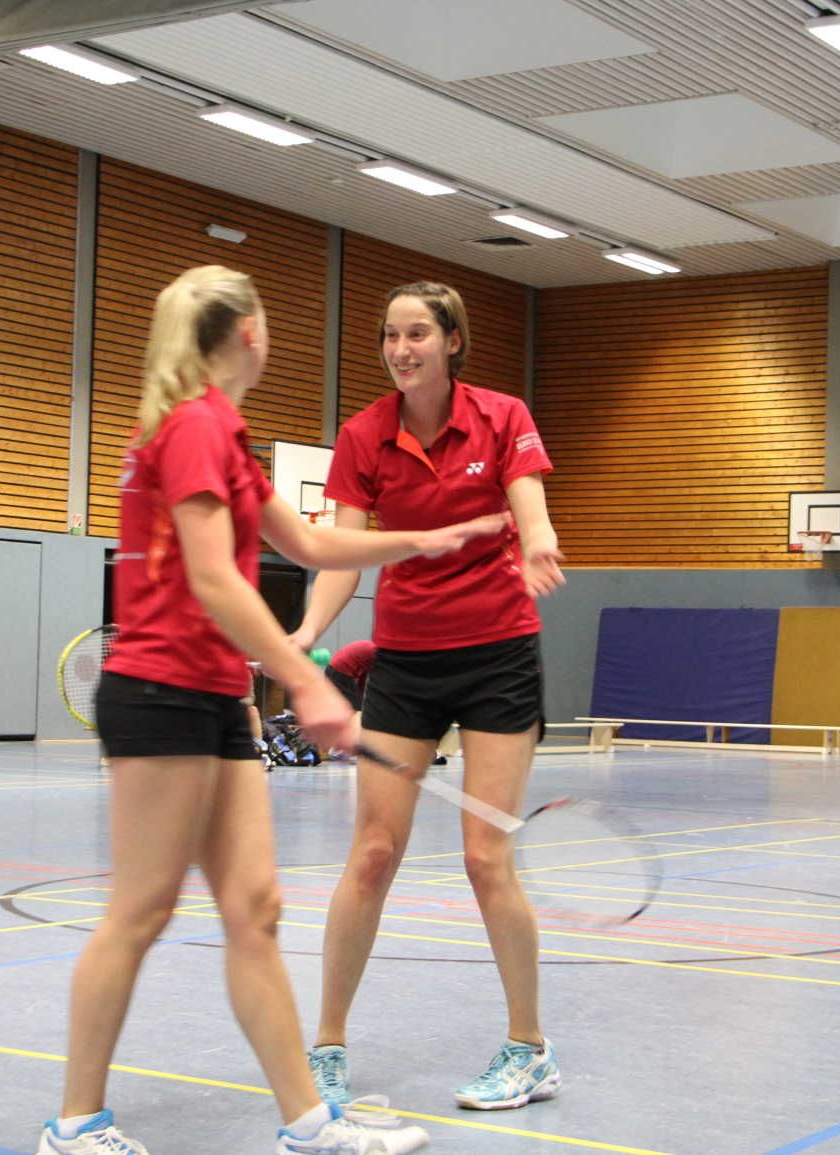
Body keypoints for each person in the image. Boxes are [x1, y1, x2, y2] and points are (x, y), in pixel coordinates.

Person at [35, 265, 505, 1155]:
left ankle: (308, 1125)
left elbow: (311, 542)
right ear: (249, 332)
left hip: (215, 697)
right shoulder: (194, 425)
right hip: (160, 693)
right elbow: (215, 576)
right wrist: (308, 681)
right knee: (140, 911)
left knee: (254, 908)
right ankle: (74, 1124)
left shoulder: (223, 432)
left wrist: (423, 538)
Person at [290, 281, 566, 1111]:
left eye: (417, 333)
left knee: (486, 857)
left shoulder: (502, 416)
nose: (401, 348)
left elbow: (528, 501)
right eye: (390, 335)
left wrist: (538, 539)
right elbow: (341, 551)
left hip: (498, 655)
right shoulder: (363, 435)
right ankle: (326, 1046)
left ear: (452, 341)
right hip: (407, 661)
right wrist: (306, 631)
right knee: (374, 853)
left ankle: (530, 1048)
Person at [322, 640, 376, 712]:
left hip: (333, 669)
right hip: (340, 672)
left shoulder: (374, 648)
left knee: (338, 704)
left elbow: (363, 677)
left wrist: (361, 697)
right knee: (354, 709)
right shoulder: (378, 654)